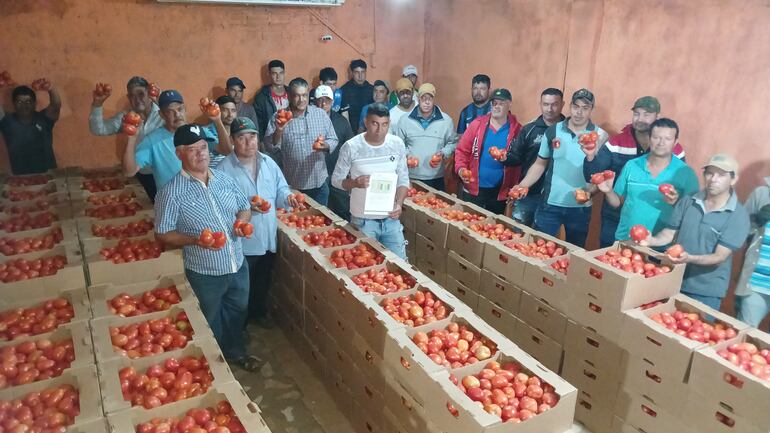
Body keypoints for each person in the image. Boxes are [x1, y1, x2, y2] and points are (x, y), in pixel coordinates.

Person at [154, 123, 260, 371]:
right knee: (209, 319)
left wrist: (241, 223)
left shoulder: (224, 179)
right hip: (205, 272)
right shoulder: (170, 193)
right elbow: (162, 234)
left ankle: (235, 353)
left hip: (236, 262)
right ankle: (213, 366)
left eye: (203, 147)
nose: (201, 153)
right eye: (193, 149)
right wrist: (195, 241)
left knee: (238, 311)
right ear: (179, 153)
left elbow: (244, 206)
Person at [217, 117, 300, 328]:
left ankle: (258, 314)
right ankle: (240, 326)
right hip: (243, 244)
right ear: (233, 140)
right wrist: (244, 208)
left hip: (267, 239)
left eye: (252, 136)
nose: (248, 142)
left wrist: (288, 197)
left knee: (262, 282)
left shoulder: (268, 162)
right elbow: (218, 207)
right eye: (242, 138)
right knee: (241, 288)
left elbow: (281, 188)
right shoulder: (223, 170)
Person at [638, 154, 750, 310]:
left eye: (721, 175)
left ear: (733, 179)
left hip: (706, 291)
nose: (713, 178)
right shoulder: (689, 200)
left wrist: (689, 258)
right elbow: (670, 233)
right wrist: (652, 241)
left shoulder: (738, 215)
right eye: (710, 173)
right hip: (673, 279)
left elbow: (720, 256)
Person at [584, 96, 687, 247]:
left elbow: (680, 189)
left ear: (657, 117)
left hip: (653, 223)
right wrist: (591, 156)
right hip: (614, 217)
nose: (640, 119)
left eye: (646, 114)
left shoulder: (675, 150)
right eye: (637, 113)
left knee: (644, 267)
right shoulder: (616, 142)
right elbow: (592, 176)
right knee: (608, 262)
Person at [510, 89, 607, 248]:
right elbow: (540, 164)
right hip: (550, 204)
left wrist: (590, 193)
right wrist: (522, 185)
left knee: (574, 255)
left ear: (591, 109)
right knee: (539, 250)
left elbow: (600, 175)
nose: (579, 112)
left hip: (580, 208)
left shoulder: (600, 136)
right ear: (569, 106)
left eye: (585, 108)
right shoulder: (553, 130)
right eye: (576, 106)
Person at [595, 118, 699, 242]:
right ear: (649, 138)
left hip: (660, 247)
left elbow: (694, 214)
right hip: (626, 240)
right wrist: (608, 191)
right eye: (656, 137)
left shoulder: (686, 173)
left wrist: (677, 202)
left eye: (667, 139)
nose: (661, 143)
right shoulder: (632, 166)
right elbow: (617, 202)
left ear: (675, 142)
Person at [331, 103, 410, 258]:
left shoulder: (396, 144)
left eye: (384, 125)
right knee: (366, 270)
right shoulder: (352, 147)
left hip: (390, 220)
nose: (380, 130)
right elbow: (336, 180)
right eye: (375, 124)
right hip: (363, 221)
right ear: (366, 122)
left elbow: (403, 180)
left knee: (400, 267)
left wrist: (399, 204)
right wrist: (354, 183)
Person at [122, 90, 231, 190]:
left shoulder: (198, 131)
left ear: (185, 109)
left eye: (180, 109)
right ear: (162, 115)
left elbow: (227, 151)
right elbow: (129, 172)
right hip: (173, 203)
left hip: (201, 199)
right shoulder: (152, 140)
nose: (177, 114)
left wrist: (217, 120)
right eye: (170, 111)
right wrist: (131, 139)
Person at [264, 78, 338, 205]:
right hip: (293, 186)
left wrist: (325, 146)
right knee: (296, 223)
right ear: (289, 96)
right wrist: (279, 130)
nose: (301, 100)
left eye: (304, 95)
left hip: (319, 184)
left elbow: (333, 139)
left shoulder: (320, 114)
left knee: (320, 223)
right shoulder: (279, 117)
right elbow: (270, 147)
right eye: (297, 96)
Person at [89, 76, 161, 200]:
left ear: (149, 93)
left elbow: (181, 130)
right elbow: (98, 129)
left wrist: (161, 101)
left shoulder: (163, 113)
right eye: (132, 96)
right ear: (129, 98)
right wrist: (97, 104)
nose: (137, 99)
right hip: (140, 173)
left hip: (165, 173)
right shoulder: (126, 118)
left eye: (141, 94)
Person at [501, 88, 565, 226]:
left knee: (545, 241)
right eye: (546, 104)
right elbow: (516, 157)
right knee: (519, 237)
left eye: (554, 104)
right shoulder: (529, 129)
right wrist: (503, 157)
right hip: (528, 193)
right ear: (540, 104)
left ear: (562, 104)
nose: (550, 109)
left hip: (556, 197)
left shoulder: (570, 131)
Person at [454, 88, 522, 214]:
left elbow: (520, 158)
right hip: (473, 189)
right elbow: (462, 151)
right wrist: (461, 169)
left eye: (501, 104)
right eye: (494, 103)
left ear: (509, 104)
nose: (496, 107)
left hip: (500, 193)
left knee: (494, 230)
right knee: (469, 226)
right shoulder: (477, 124)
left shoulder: (517, 130)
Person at [392, 83, 457, 191]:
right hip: (411, 177)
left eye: (430, 98)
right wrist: (407, 155)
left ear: (434, 98)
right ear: (418, 98)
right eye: (423, 98)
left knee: (436, 205)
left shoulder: (446, 121)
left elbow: (453, 142)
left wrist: (444, 153)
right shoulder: (405, 120)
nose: (427, 102)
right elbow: (399, 144)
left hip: (436, 177)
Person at [0, 81, 60, 175]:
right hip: (21, 179)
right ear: (13, 104)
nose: (24, 105)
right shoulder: (6, 121)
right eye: (19, 101)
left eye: (28, 101)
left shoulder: (44, 118)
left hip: (49, 177)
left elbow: (56, 104)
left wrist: (50, 88)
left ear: (34, 104)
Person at [734, 177, 770, 327]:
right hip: (758, 283)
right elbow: (739, 231)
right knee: (743, 337)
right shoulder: (761, 194)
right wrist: (755, 220)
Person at [315, 85, 354, 221]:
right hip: (315, 175)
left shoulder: (341, 122)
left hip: (337, 173)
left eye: (327, 100)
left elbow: (351, 146)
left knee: (342, 210)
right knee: (319, 213)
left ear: (332, 102)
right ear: (315, 102)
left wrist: (350, 170)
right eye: (320, 100)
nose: (323, 104)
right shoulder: (309, 121)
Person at [253, 60, 289, 140]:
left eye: (281, 73)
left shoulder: (292, 93)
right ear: (269, 74)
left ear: (284, 73)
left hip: (291, 138)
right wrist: (260, 141)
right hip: (270, 139)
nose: (278, 77)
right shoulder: (261, 97)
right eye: (274, 73)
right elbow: (258, 123)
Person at [340, 59, 374, 131]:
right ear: (352, 73)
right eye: (357, 72)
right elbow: (344, 116)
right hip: (350, 131)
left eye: (363, 72)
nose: (360, 76)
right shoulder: (344, 90)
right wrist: (349, 135)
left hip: (369, 131)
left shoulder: (372, 90)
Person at [209, 95, 238, 168]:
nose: (230, 115)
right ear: (217, 111)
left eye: (233, 110)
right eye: (225, 110)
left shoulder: (239, 132)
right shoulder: (208, 132)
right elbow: (228, 152)